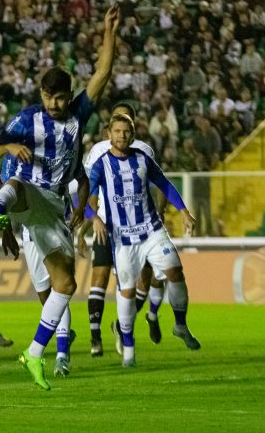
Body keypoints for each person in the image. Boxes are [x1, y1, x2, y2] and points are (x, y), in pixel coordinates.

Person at [0, 5, 120, 390]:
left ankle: (35, 353)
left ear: (68, 95)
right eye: (48, 97)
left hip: (54, 207)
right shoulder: (26, 120)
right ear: (40, 93)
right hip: (28, 194)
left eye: (60, 98)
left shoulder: (79, 114)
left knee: (65, 286)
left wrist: (108, 31)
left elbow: (103, 73)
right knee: (18, 187)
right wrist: (10, 149)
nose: (54, 104)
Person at [88, 114, 200, 368]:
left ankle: (180, 325)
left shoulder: (142, 160)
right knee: (126, 292)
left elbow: (164, 184)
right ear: (109, 135)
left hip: (151, 230)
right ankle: (128, 345)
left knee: (175, 270)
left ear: (133, 134)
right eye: (117, 131)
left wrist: (183, 212)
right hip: (123, 239)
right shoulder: (101, 165)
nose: (122, 136)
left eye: (126, 131)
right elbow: (88, 197)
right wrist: (94, 217)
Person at [80, 102, 168, 357]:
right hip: (106, 225)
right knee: (100, 277)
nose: (121, 129)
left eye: (126, 121)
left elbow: (159, 182)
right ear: (110, 128)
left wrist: (160, 212)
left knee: (144, 280)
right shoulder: (98, 151)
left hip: (141, 226)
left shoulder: (144, 149)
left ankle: (123, 325)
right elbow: (88, 190)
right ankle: (95, 337)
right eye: (117, 121)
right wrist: (84, 225)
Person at [0, 154, 86, 377]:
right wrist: (6, 228)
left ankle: (61, 355)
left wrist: (81, 209)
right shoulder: (12, 161)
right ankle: (59, 338)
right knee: (45, 296)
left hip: (57, 226)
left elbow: (82, 180)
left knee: (61, 287)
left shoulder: (57, 152)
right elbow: (7, 193)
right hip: (30, 234)